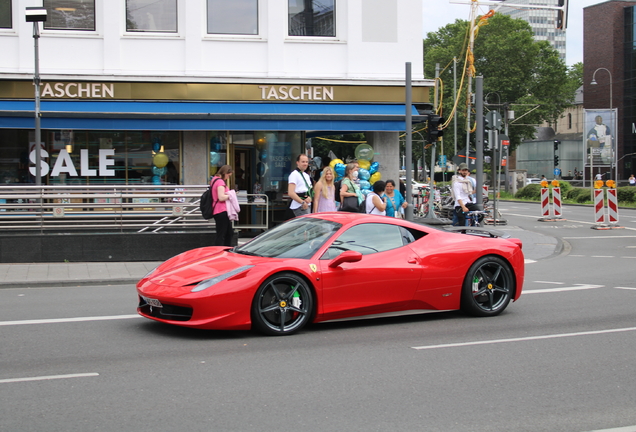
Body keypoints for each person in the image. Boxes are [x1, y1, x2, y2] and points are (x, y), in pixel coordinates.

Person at [210, 165, 234, 246]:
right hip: (221, 210)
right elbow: (221, 197)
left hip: (218, 211)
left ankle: (225, 250)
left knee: (228, 233)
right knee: (223, 234)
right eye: (228, 175)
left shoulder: (214, 180)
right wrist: (232, 195)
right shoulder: (220, 182)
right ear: (224, 173)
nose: (228, 178)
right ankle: (221, 251)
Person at [453, 163, 479, 227]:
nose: (464, 172)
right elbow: (458, 196)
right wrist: (463, 207)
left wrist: (475, 191)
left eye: (466, 170)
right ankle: (463, 232)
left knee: (479, 214)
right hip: (460, 204)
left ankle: (473, 227)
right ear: (459, 171)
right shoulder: (457, 182)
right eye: (463, 170)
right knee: (462, 221)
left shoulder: (467, 181)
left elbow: (468, 193)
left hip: (467, 202)